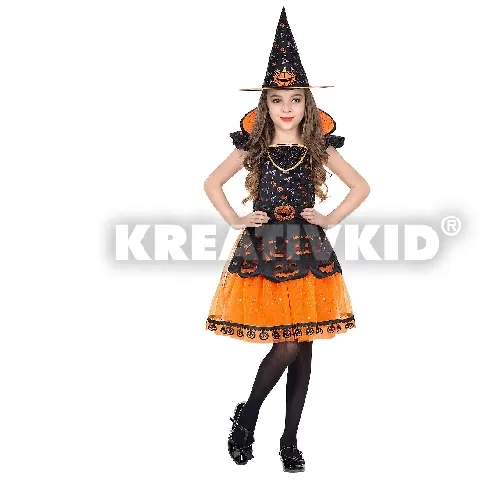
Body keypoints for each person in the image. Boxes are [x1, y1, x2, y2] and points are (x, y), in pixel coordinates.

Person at [203, 7, 370, 473]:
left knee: (304, 347)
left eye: (295, 99)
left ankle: (290, 439)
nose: (287, 108)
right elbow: (212, 183)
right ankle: (248, 416)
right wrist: (236, 218)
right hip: (264, 249)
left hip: (308, 249)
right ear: (265, 105)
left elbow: (361, 186)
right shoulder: (253, 146)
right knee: (290, 343)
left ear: (307, 105)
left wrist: (330, 217)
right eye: (277, 100)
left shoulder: (319, 147)